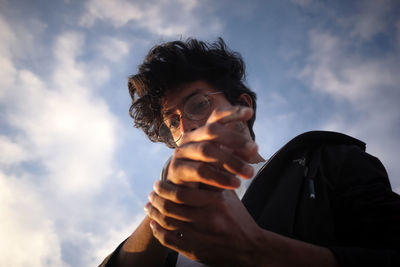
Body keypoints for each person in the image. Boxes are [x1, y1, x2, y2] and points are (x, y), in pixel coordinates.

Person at [100, 38, 400, 267]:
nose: (188, 127)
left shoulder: (327, 161)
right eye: (173, 122)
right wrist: (166, 206)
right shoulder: (169, 221)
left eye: (198, 104)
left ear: (243, 108)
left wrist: (262, 251)